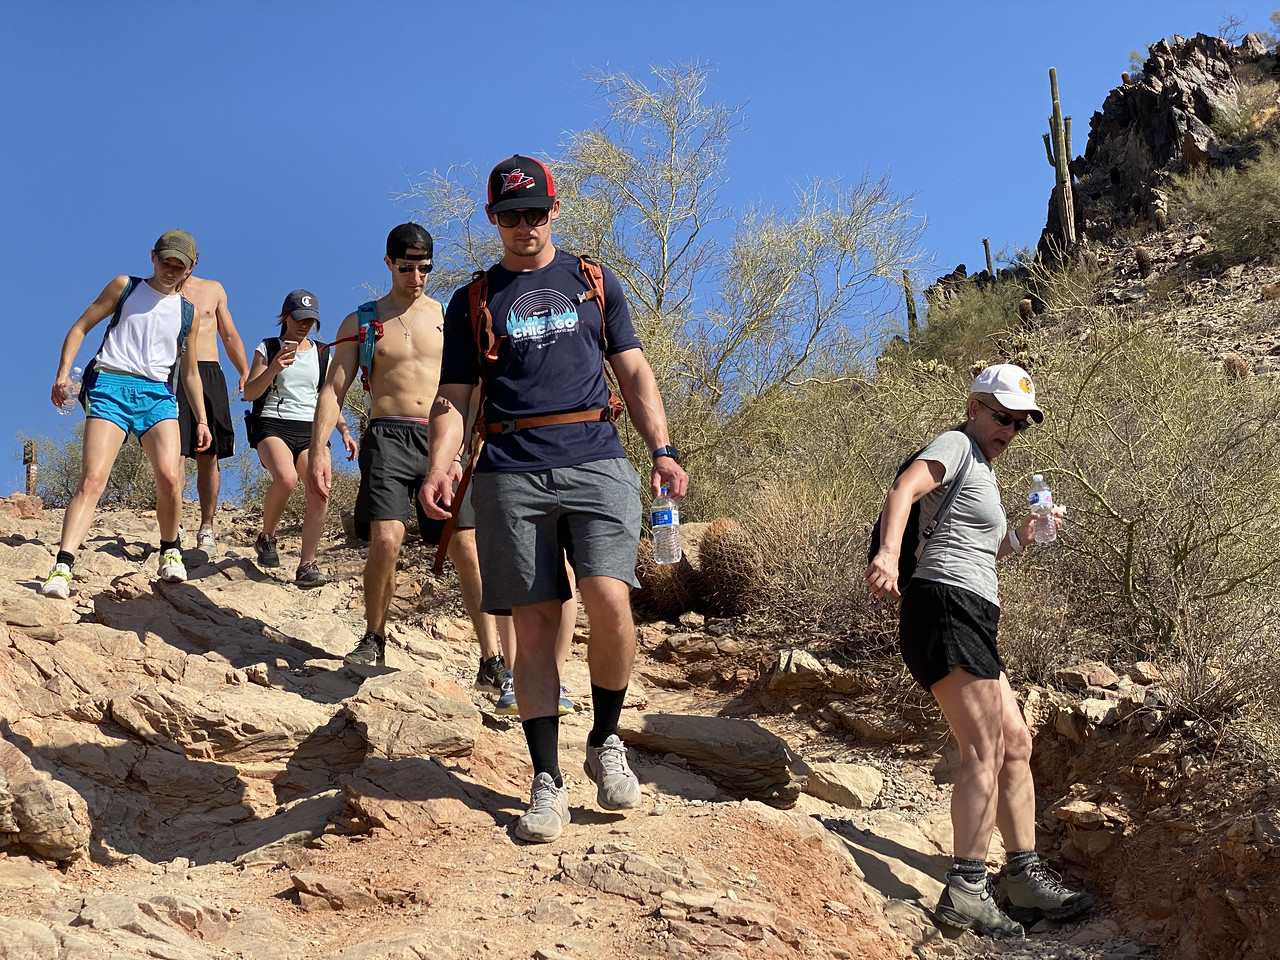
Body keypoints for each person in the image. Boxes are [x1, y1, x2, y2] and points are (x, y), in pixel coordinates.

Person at [420, 155, 688, 844]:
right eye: (510, 216)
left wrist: (662, 449)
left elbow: (632, 368)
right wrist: (440, 465)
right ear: (492, 220)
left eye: (535, 213)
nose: (524, 227)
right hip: (510, 469)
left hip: (595, 456)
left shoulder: (593, 280)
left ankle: (605, 739)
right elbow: (455, 396)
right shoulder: (473, 300)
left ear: (555, 210)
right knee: (535, 627)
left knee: (610, 598)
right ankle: (546, 781)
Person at [865, 363, 1091, 939]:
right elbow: (904, 490)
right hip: (943, 605)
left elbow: (988, 550)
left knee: (1016, 740)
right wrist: (888, 555)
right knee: (985, 745)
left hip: (972, 610)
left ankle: (1023, 876)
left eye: (1018, 423)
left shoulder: (983, 473)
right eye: (1001, 416)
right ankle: (966, 888)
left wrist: (1024, 537)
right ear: (974, 406)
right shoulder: (956, 444)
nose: (1009, 429)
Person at [305, 223, 542, 672]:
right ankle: (374, 636)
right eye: (407, 267)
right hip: (387, 434)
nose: (416, 277)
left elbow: (472, 390)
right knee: (387, 537)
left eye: (425, 268)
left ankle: (491, 657)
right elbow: (333, 390)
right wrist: (319, 450)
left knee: (465, 546)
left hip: (440, 439)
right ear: (388, 264)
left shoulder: (448, 316)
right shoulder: (363, 321)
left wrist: (462, 451)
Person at [40, 230, 210, 598]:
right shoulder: (125, 287)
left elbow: (192, 371)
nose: (170, 268)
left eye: (178, 264)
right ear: (153, 256)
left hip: (157, 393)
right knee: (93, 479)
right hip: (110, 385)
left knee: (169, 477)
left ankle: (170, 551)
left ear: (190, 268)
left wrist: (202, 419)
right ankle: (62, 567)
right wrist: (61, 373)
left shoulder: (188, 313)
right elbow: (80, 327)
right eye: (165, 260)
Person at [242, 289, 357, 587]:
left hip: (311, 428)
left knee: (320, 488)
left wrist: (343, 430)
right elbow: (249, 392)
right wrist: (274, 367)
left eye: (310, 320)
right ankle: (267, 537)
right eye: (299, 318)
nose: (304, 325)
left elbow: (329, 397)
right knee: (286, 478)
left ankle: (307, 564)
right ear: (285, 317)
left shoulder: (323, 353)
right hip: (272, 424)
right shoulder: (267, 348)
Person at [174, 273, 249, 556]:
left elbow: (228, 333)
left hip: (208, 370)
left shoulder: (213, 289)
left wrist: (244, 371)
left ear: (194, 261)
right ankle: (175, 525)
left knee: (209, 453)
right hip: (171, 372)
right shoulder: (156, 290)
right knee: (174, 453)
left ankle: (207, 527)